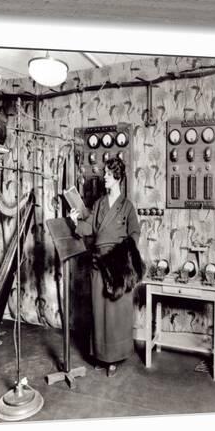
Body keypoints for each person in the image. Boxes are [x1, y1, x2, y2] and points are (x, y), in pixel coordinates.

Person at [68, 157, 142, 377]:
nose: (104, 178)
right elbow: (89, 227)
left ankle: (115, 358)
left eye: (108, 174)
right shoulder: (99, 203)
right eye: (105, 174)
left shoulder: (127, 206)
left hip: (117, 268)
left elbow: (135, 234)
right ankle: (101, 355)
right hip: (98, 265)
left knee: (116, 314)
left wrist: (122, 256)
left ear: (117, 177)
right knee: (99, 313)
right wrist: (75, 223)